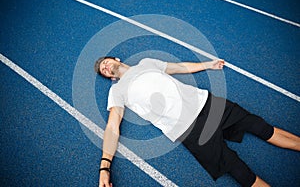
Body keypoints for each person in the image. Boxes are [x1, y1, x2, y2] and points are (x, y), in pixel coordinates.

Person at [94, 56, 300, 187]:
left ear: (116, 59)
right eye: (103, 70)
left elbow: (179, 67)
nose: (105, 67)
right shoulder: (117, 91)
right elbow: (112, 126)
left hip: (207, 104)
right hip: (188, 131)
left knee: (260, 126)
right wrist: (105, 166)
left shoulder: (147, 63)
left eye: (105, 62)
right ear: (110, 77)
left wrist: (207, 65)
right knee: (239, 171)